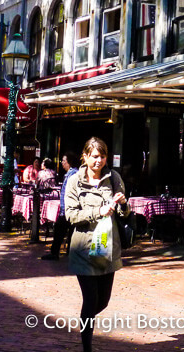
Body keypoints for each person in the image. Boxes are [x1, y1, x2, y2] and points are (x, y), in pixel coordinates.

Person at [65, 137, 130, 352]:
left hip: (108, 247)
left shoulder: (114, 177)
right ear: (85, 157)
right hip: (83, 248)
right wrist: (97, 212)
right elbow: (71, 215)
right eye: (94, 156)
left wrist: (122, 204)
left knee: (103, 301)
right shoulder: (75, 181)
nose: (99, 161)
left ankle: (85, 322)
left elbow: (125, 213)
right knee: (91, 299)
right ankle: (87, 346)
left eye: (102, 156)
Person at [41, 154, 78, 261]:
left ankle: (56, 252)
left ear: (69, 162)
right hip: (68, 208)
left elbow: (68, 193)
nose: (62, 162)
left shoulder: (72, 174)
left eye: (63, 160)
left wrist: (64, 209)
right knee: (68, 231)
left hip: (67, 209)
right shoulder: (71, 174)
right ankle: (68, 252)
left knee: (59, 230)